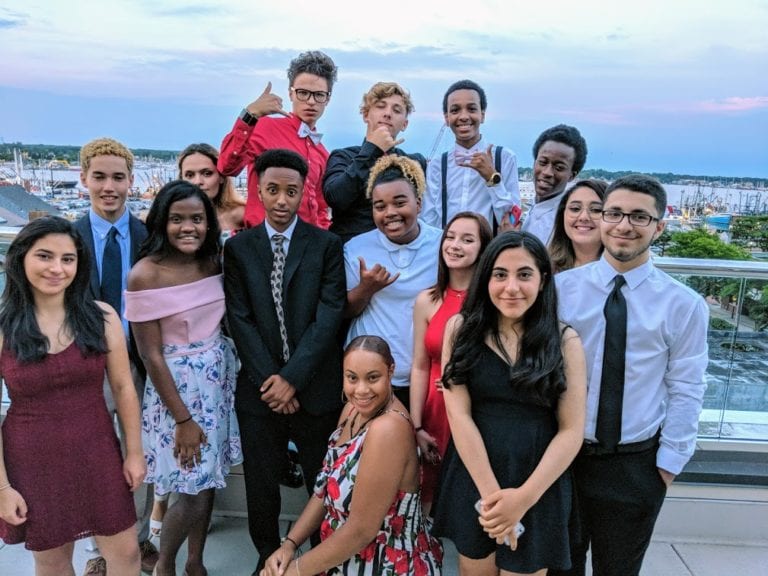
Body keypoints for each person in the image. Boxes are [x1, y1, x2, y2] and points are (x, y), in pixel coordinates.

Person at [553, 175, 709, 576]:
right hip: (564, 459)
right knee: (559, 568)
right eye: (615, 213)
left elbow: (687, 386)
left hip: (636, 465)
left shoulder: (684, 305)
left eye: (640, 216)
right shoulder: (560, 290)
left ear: (659, 226)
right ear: (602, 219)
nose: (624, 225)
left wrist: (668, 467)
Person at [433, 231, 587, 575]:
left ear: (543, 280)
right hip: (475, 472)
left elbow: (571, 431)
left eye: (525, 275)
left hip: (537, 481)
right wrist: (494, 502)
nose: (511, 287)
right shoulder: (460, 330)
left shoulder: (564, 341)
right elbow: (459, 416)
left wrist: (521, 499)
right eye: (500, 274)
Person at [0, 216, 145, 576]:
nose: (57, 268)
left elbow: (124, 388)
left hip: (97, 450)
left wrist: (135, 452)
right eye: (45, 256)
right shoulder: (3, 328)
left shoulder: (103, 317)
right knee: (52, 561)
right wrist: (2, 487)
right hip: (32, 460)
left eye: (68, 259)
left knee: (126, 552)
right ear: (21, 259)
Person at [223, 149, 346, 574]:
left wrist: (292, 379)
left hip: (315, 387)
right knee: (261, 482)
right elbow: (239, 319)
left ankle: (319, 559)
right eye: (272, 190)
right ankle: (267, 555)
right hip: (260, 389)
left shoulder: (327, 246)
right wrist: (272, 381)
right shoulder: (239, 249)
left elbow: (329, 315)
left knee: (321, 479)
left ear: (303, 192)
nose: (281, 200)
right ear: (258, 189)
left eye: (290, 191)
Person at [125, 181, 242, 576]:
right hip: (178, 395)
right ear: (162, 223)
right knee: (190, 492)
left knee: (207, 482)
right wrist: (183, 420)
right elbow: (150, 355)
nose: (188, 227)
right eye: (177, 219)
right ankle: (165, 567)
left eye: (197, 218)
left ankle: (195, 562)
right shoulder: (144, 275)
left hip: (215, 386)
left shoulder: (211, 262)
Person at [261, 335, 443, 576]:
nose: (361, 390)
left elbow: (361, 530)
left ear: (391, 371)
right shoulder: (351, 411)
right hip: (343, 558)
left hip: (383, 565)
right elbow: (325, 488)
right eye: (352, 378)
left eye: (373, 377)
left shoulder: (389, 429)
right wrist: (290, 544)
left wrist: (295, 571)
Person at [73, 137, 157, 575]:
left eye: (118, 177)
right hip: (87, 367)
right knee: (94, 459)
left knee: (135, 455)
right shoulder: (67, 236)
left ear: (131, 181)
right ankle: (98, 550)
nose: (109, 187)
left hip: (139, 364)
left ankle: (139, 540)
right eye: (100, 177)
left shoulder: (148, 237)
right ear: (83, 178)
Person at [409, 211, 492, 515]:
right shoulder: (427, 300)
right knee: (427, 489)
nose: (455, 245)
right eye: (451, 237)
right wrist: (416, 425)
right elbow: (419, 366)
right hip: (433, 409)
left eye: (468, 240)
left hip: (477, 411)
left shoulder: (491, 301)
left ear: (484, 249)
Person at [344, 155, 442, 410]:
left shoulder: (442, 245)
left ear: (418, 204)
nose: (390, 213)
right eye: (380, 206)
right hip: (371, 377)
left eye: (400, 203)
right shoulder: (356, 248)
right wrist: (367, 289)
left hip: (426, 373)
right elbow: (343, 311)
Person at [218, 50, 337, 229]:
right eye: (303, 93)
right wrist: (250, 114)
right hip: (262, 244)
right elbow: (227, 166)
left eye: (319, 95)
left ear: (327, 99)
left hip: (306, 247)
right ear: (291, 94)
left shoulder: (322, 153)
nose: (311, 102)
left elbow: (320, 208)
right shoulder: (265, 127)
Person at [322, 81, 426, 243]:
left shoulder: (412, 163)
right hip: (349, 256)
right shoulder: (343, 157)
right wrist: (372, 150)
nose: (388, 114)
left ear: (405, 123)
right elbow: (336, 198)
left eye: (396, 110)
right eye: (380, 106)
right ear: (365, 114)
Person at [423, 79, 521, 232]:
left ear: (482, 115)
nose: (463, 116)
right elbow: (430, 219)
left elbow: (512, 220)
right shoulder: (437, 164)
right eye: (455, 110)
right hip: (449, 251)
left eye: (471, 109)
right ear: (446, 118)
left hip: (491, 252)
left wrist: (492, 178)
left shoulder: (505, 158)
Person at [521, 124, 588, 245]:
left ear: (572, 175)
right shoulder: (531, 206)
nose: (547, 172)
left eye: (559, 167)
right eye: (542, 162)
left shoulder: (565, 223)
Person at [178, 142, 246, 241]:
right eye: (190, 175)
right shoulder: (172, 219)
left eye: (207, 173)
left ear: (221, 176)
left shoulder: (240, 215)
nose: (198, 182)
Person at [548, 179, 607, 273]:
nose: (584, 217)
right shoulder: (544, 269)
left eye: (596, 210)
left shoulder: (621, 274)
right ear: (562, 214)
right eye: (575, 208)